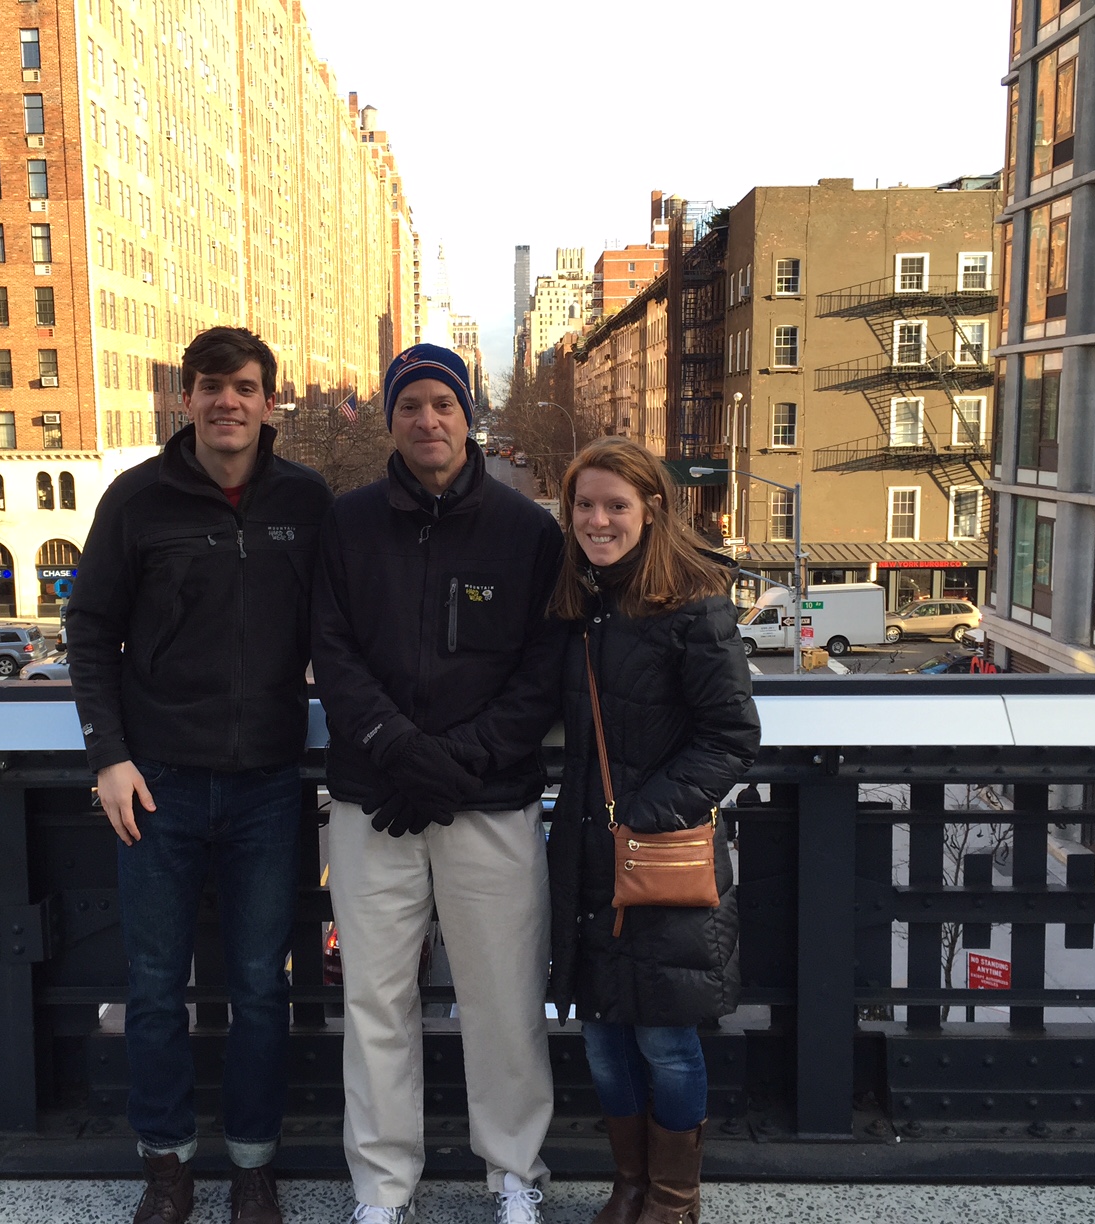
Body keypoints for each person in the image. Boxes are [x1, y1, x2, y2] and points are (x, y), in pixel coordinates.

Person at [68, 326, 333, 1224]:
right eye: (213, 386)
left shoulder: (306, 500)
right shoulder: (136, 501)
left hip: (267, 783)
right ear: (188, 398)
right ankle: (168, 1163)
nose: (229, 401)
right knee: (153, 988)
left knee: (263, 987)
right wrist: (108, 754)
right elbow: (90, 632)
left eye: (247, 387)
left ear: (269, 402)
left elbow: (340, 630)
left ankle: (253, 1164)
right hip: (157, 787)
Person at [312, 343, 565, 1224]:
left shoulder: (528, 531)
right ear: (392, 419)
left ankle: (513, 1176)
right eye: (412, 405)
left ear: (469, 416)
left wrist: (453, 765)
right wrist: (401, 751)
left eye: (444, 405)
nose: (429, 420)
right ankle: (382, 1191)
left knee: (503, 999)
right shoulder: (344, 527)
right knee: (374, 1001)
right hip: (372, 801)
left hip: (487, 804)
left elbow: (542, 673)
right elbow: (332, 655)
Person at [546, 437, 760, 1224]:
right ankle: (628, 1185)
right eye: (585, 505)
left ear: (652, 511)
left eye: (616, 506)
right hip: (585, 859)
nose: (598, 520)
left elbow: (732, 735)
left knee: (667, 1042)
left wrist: (644, 813)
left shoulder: (693, 606)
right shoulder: (577, 604)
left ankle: (673, 1198)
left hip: (662, 858)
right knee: (604, 1037)